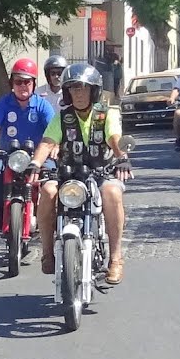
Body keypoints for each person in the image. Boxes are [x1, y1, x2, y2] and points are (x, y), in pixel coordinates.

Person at [26, 63, 132, 284]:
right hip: (68, 174)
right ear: (67, 91)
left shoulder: (106, 114)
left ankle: (115, 259)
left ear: (94, 90)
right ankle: (47, 253)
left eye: (84, 88)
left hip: (101, 172)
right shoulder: (61, 117)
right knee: (46, 191)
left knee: (112, 192)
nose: (79, 93)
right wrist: (35, 162)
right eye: (74, 88)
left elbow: (114, 138)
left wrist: (122, 157)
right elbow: (47, 142)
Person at [0, 57, 57, 232]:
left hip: (38, 157)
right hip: (9, 156)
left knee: (51, 178)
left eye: (27, 82)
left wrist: (56, 146)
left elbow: (54, 130)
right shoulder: (4, 103)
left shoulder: (42, 105)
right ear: (12, 83)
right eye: (18, 82)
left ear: (34, 84)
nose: (22, 86)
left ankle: (51, 216)